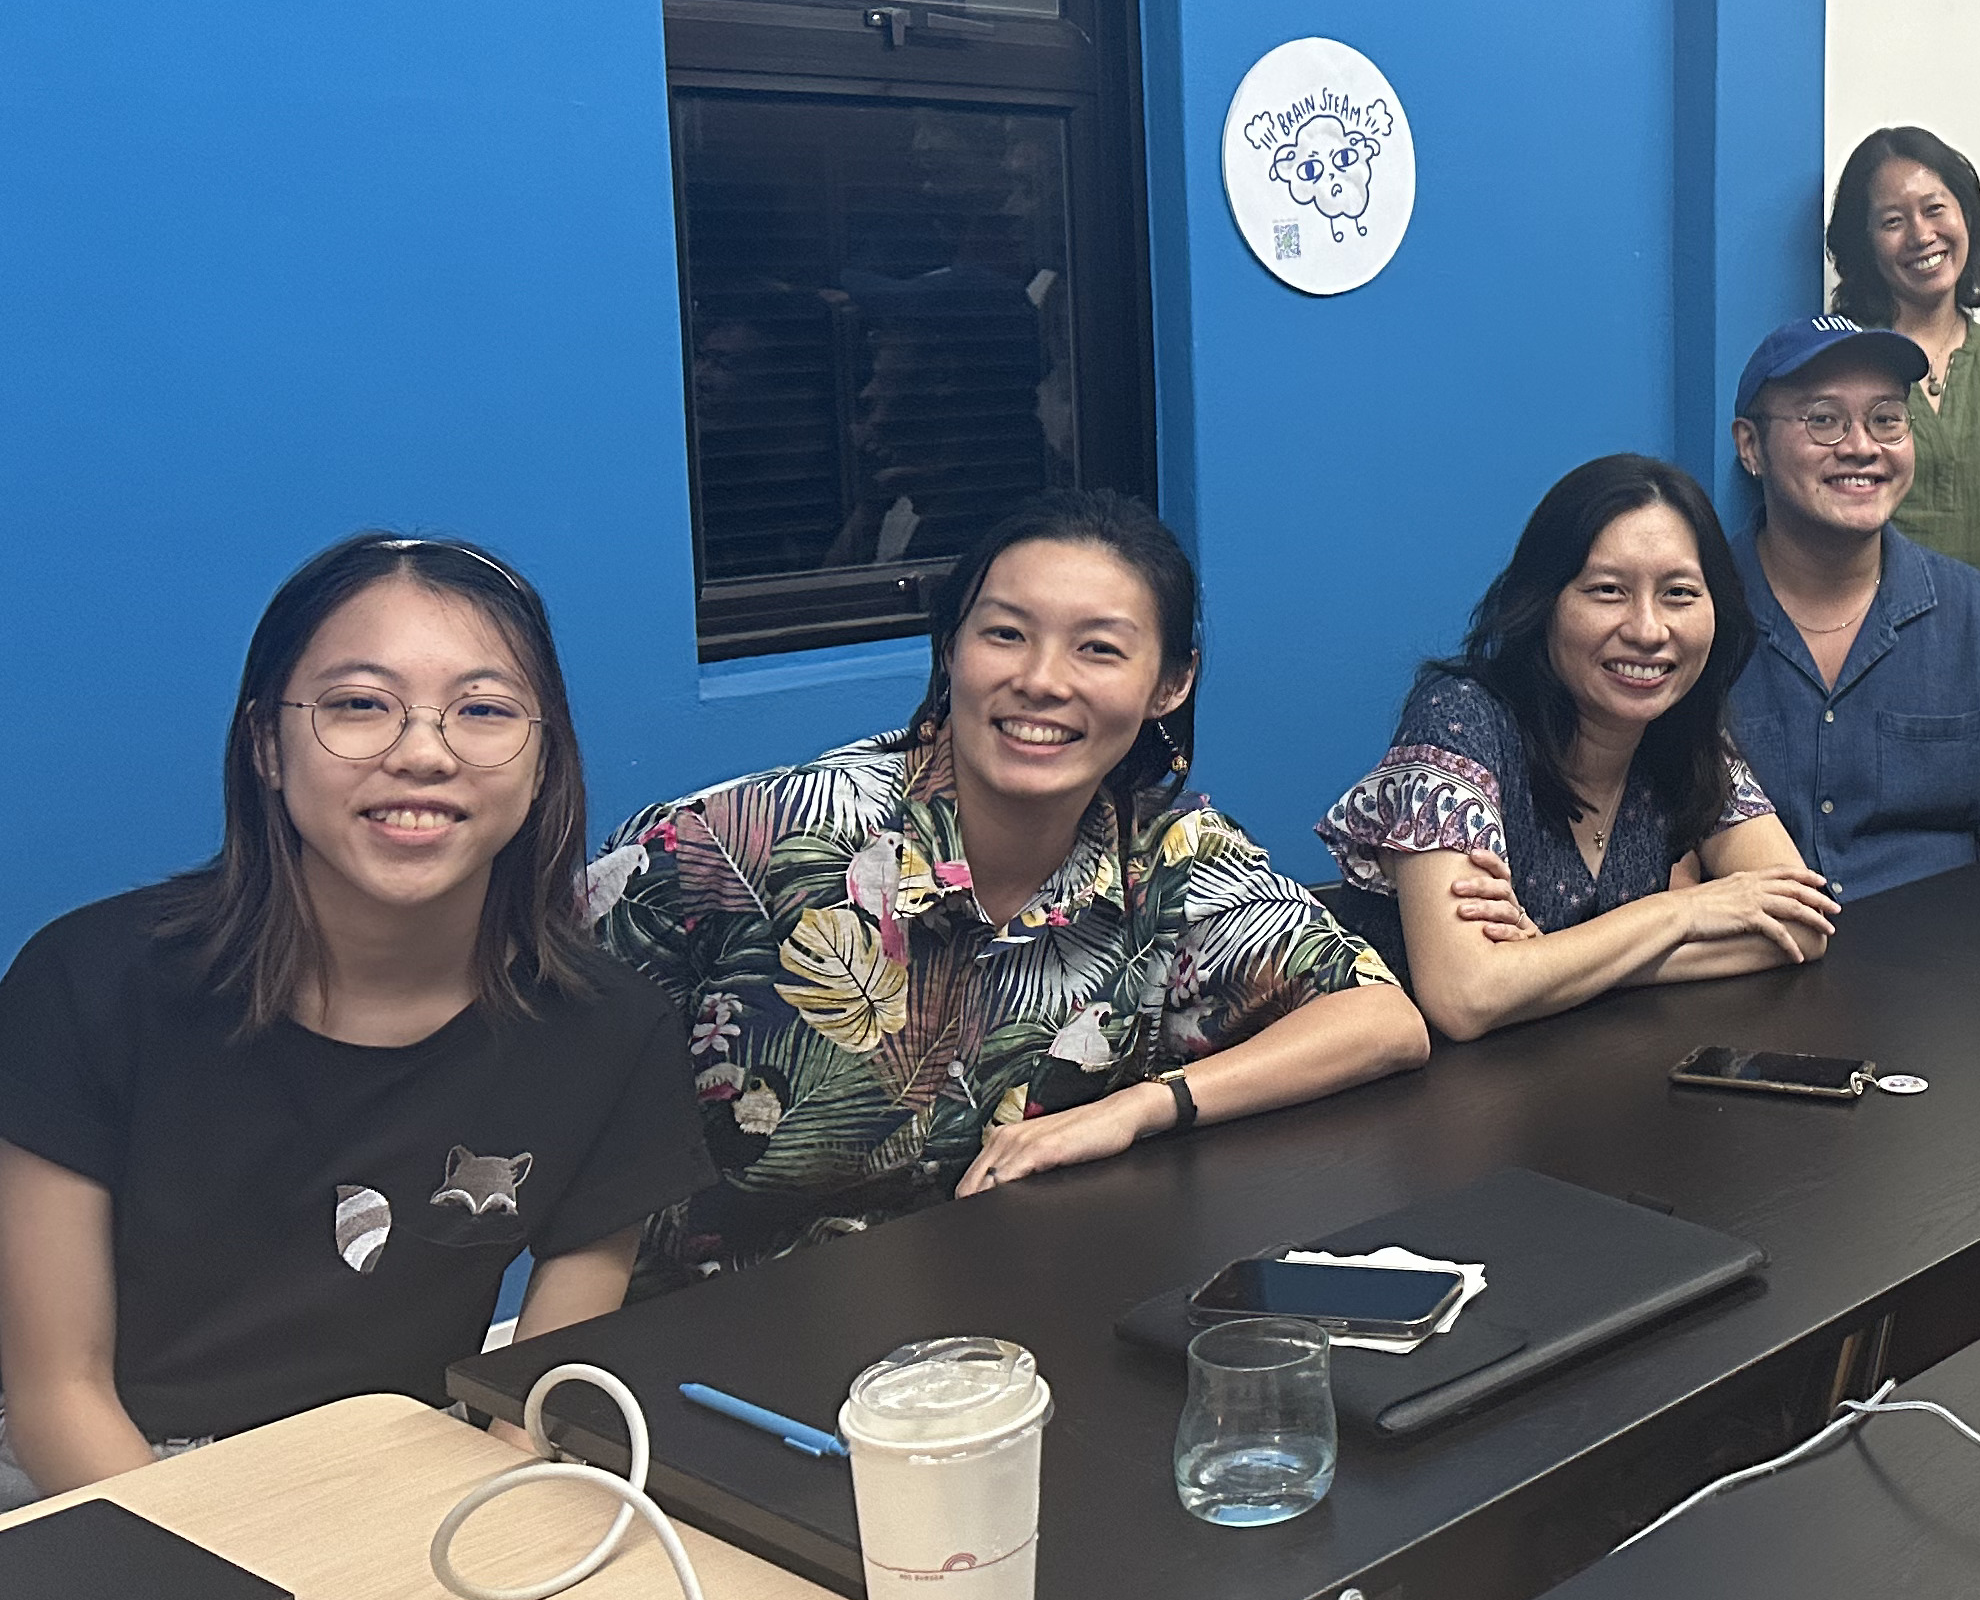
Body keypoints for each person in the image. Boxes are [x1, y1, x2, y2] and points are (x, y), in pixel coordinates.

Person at [0, 537, 711, 1501]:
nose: (422, 753)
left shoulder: (609, 1033)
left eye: (485, 712)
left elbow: (529, 1411)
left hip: (413, 1479)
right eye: (359, 705)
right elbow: (55, 1394)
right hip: (110, 1480)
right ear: (265, 745)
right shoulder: (88, 985)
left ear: (543, 759)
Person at [596, 492, 1425, 1278]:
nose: (1042, 679)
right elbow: (548, 1083)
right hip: (710, 1346)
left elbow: (1382, 1020)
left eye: (1098, 647)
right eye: (1005, 634)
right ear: (950, 647)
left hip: (1008, 1316)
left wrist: (1133, 1109)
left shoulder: (1168, 857)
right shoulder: (743, 843)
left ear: (1170, 685)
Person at [1324, 457, 1839, 1039]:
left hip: (1570, 1087)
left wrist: (1557, 964)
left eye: (1678, 593)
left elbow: (1800, 926)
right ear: (1544, 602)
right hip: (1405, 1103)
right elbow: (1464, 997)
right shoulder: (1462, 720)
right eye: (1608, 591)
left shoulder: (1681, 732)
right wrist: (1678, 912)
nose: (1648, 630)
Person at [1722, 316, 1980, 898]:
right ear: (1751, 446)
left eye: (1886, 419)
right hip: (1747, 968)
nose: (1861, 447)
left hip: (1943, 973)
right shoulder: (1696, 617)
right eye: (1824, 420)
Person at [1826, 126, 1980, 585]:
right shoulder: (1837, 365)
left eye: (1934, 209)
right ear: (1865, 243)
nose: (1921, 235)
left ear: (1967, 217)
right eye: (1892, 221)